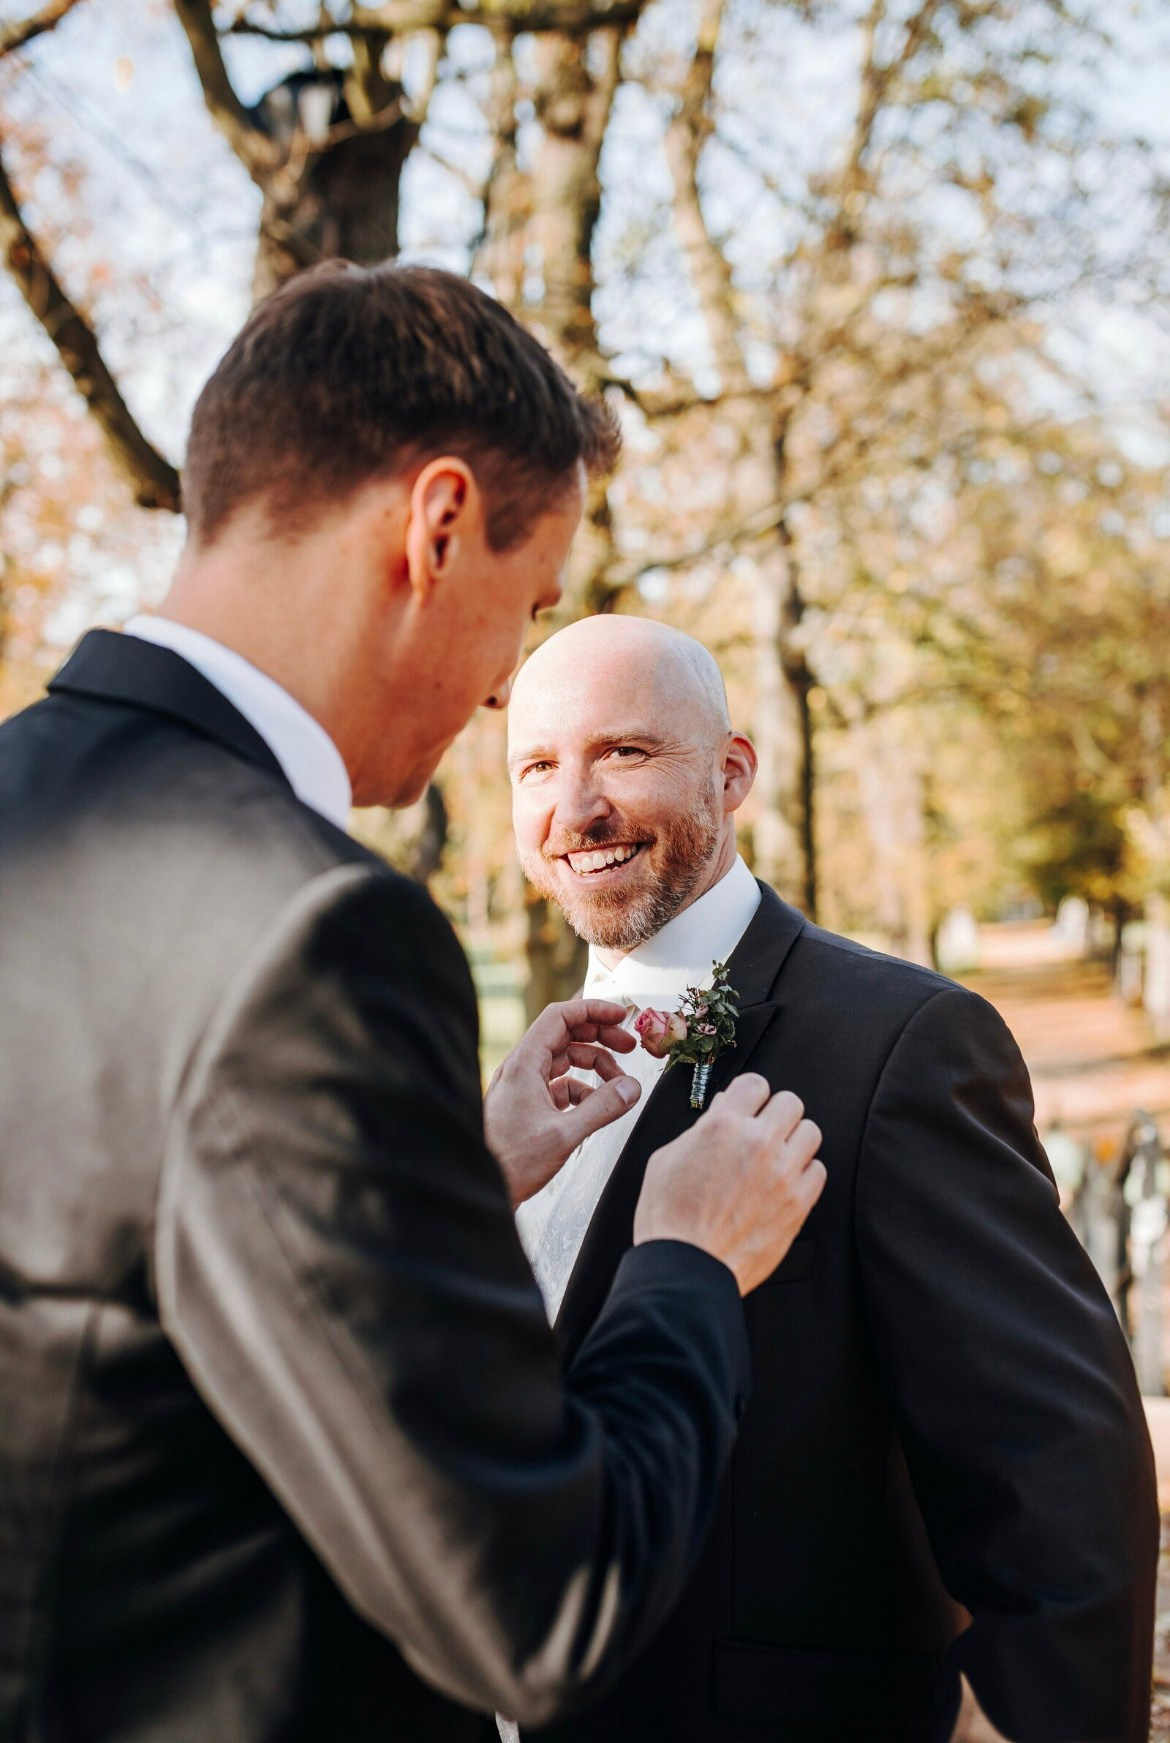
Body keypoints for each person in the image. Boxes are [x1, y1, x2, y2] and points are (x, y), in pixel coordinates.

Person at [0, 264, 827, 1742]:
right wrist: (688, 1262)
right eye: (526, 606)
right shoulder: (310, 925)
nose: (508, 682)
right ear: (436, 527)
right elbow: (539, 1603)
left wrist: (434, 1176)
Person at [498, 614, 1158, 1743]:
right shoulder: (517, 1091)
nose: (576, 808)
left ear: (735, 771)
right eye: (537, 766)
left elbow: (1061, 1476)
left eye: (625, 751)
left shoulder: (903, 1043)